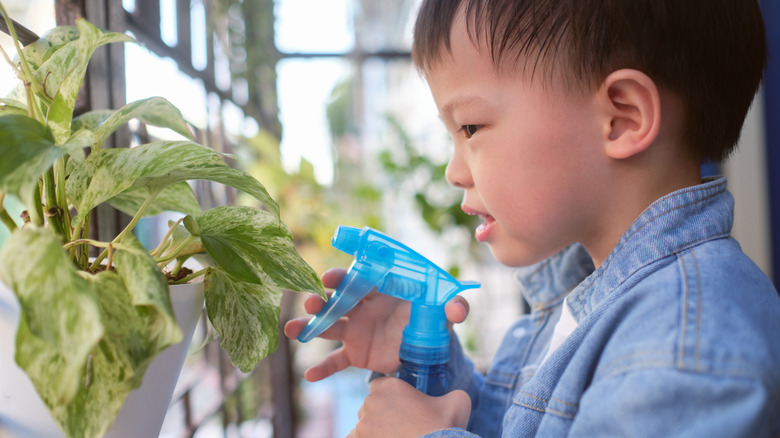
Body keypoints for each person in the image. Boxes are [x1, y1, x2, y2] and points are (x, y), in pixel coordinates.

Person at [285, 0, 780, 436]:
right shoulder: (580, 295)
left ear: (622, 118)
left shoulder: (682, 350)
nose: (454, 171)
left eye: (471, 127)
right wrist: (431, 367)